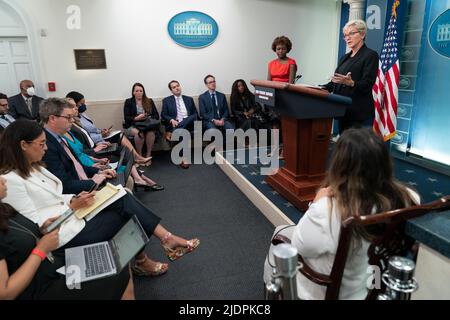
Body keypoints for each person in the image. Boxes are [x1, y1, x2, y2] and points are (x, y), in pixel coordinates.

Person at [0, 120, 200, 277]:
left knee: (120, 197)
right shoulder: (11, 180)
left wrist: (76, 198)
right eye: (41, 144)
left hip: (72, 214)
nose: (45, 148)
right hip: (60, 236)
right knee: (126, 213)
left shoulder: (34, 167)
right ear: (23, 145)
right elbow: (35, 227)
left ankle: (159, 247)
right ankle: (157, 248)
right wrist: (72, 207)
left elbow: (56, 195)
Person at [265, 128, 420, 299]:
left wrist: (315, 202)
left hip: (332, 292)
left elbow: (299, 247)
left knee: (280, 238)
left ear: (339, 164)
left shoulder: (328, 209)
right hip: (379, 284)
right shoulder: (410, 198)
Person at [0, 177, 133, 300]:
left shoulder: (4, 208)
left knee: (115, 259)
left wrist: (41, 229)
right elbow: (5, 294)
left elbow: (20, 237)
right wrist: (41, 249)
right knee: (117, 273)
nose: (3, 179)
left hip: (47, 265)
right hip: (38, 288)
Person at [321, 20, 378, 134]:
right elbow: (336, 81)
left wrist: (351, 83)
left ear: (362, 34)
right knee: (346, 147)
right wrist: (319, 88)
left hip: (359, 113)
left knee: (357, 149)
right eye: (345, 35)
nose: (347, 38)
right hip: (343, 110)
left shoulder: (370, 55)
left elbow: (367, 84)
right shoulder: (344, 58)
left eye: (351, 33)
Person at [66, 91, 152, 166]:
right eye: (81, 104)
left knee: (120, 134)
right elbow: (87, 136)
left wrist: (101, 130)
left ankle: (137, 157)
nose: (83, 106)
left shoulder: (82, 114)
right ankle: (137, 157)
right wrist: (101, 135)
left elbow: (92, 129)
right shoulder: (74, 122)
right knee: (121, 136)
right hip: (96, 141)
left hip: (99, 136)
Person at [267, 36, 298, 158]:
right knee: (275, 124)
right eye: (278, 49)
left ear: (287, 49)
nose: (280, 51)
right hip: (273, 96)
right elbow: (268, 81)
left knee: (285, 124)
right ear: (275, 49)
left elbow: (291, 84)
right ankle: (275, 150)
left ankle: (285, 151)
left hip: (286, 97)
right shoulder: (271, 63)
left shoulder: (291, 63)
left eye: (283, 49)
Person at [161, 80, 198, 169]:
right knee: (182, 131)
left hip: (188, 123)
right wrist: (171, 120)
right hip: (175, 123)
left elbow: (195, 114)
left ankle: (175, 130)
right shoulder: (166, 100)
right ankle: (184, 158)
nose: (177, 88)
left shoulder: (189, 99)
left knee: (191, 117)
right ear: (171, 90)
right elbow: (163, 115)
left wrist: (183, 122)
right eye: (174, 87)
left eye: (177, 86)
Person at [123, 83, 160, 160]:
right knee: (139, 134)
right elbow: (126, 118)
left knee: (151, 133)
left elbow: (156, 116)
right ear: (133, 92)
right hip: (133, 125)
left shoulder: (149, 101)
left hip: (147, 125)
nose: (139, 92)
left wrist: (147, 117)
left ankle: (148, 155)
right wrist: (137, 118)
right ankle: (139, 156)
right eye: (137, 91)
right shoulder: (129, 102)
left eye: (141, 91)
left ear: (143, 92)